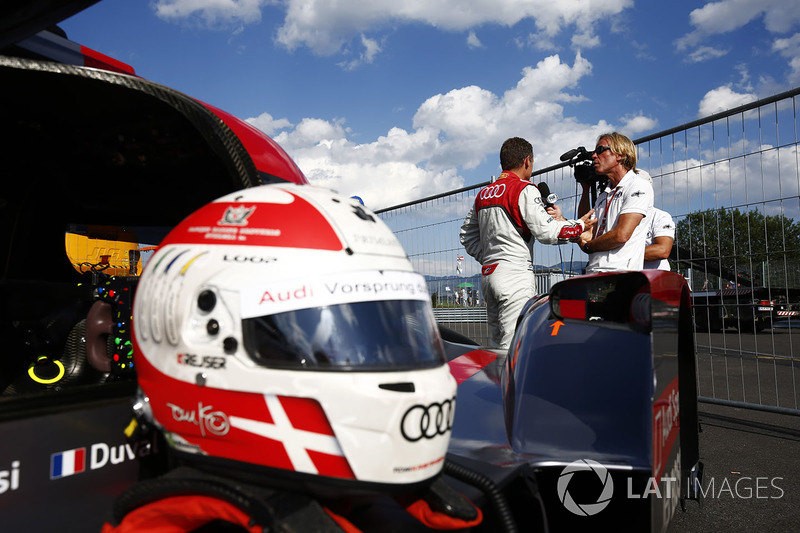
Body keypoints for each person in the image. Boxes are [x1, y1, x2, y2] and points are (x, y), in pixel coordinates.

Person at [460, 137, 594, 349]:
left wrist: (488, 256)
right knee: (514, 346)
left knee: (495, 346)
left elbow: (466, 235)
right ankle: (509, 383)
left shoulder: (483, 194)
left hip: (489, 275)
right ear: (527, 161)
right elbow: (547, 232)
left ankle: (496, 381)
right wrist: (579, 225)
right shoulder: (525, 188)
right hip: (514, 275)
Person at [576, 132, 654, 273]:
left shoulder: (638, 185)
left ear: (620, 155)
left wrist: (588, 247)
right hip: (594, 272)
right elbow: (590, 235)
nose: (594, 156)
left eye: (600, 150)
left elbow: (621, 235)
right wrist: (563, 224)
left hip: (620, 275)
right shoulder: (603, 196)